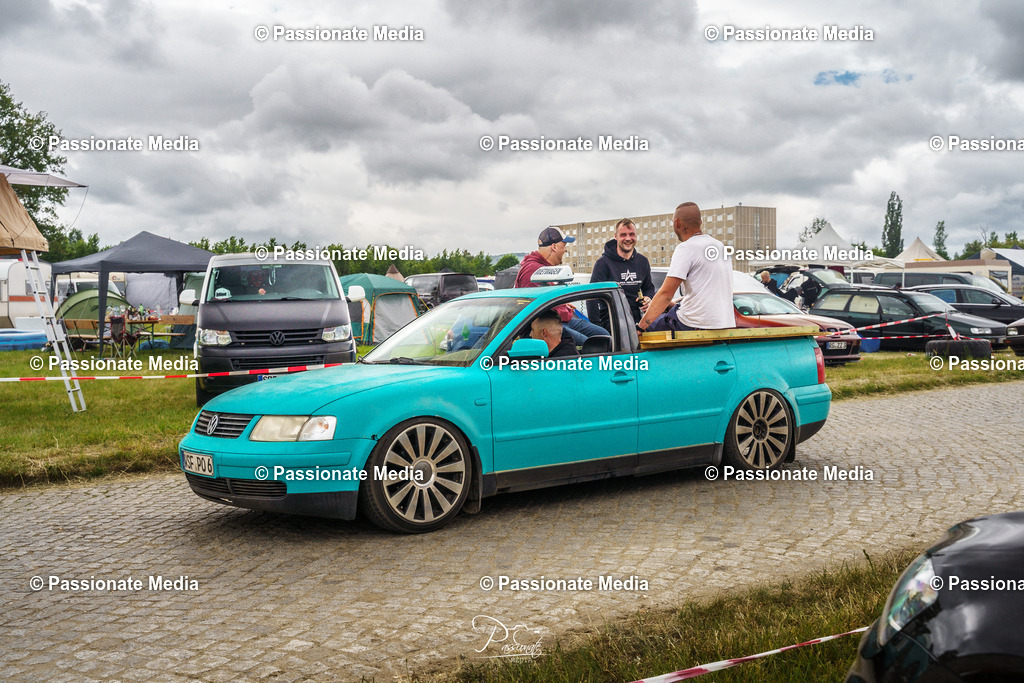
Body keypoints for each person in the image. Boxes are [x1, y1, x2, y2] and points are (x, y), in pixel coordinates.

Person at [637, 202, 734, 332]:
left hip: (693, 324)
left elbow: (665, 294)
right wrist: (670, 306)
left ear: (677, 223)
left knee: (646, 331)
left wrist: (641, 327)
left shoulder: (686, 248)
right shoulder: (720, 247)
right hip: (723, 323)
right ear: (700, 221)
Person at [516, 226, 608, 345]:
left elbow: (547, 301)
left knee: (603, 335)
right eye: (563, 246)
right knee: (589, 344)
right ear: (554, 247)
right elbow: (538, 311)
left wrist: (561, 304)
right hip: (544, 327)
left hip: (560, 321)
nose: (565, 250)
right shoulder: (533, 270)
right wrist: (563, 309)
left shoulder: (542, 268)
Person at [588, 218, 655, 326]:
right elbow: (592, 297)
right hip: (611, 321)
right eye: (623, 235)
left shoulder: (642, 261)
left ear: (636, 236)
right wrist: (596, 328)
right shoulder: (603, 263)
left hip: (637, 321)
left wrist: (648, 298)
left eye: (631, 234)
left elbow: (649, 287)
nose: (628, 238)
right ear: (616, 236)